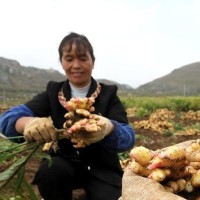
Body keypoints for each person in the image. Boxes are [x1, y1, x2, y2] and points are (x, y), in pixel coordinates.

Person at [0, 32, 135, 200]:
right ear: (62, 62)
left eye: (83, 58)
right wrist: (29, 123)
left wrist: (108, 128)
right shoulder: (53, 92)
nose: (76, 65)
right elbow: (7, 120)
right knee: (51, 172)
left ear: (93, 61)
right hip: (63, 164)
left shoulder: (108, 94)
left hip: (103, 168)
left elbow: (128, 137)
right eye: (69, 59)